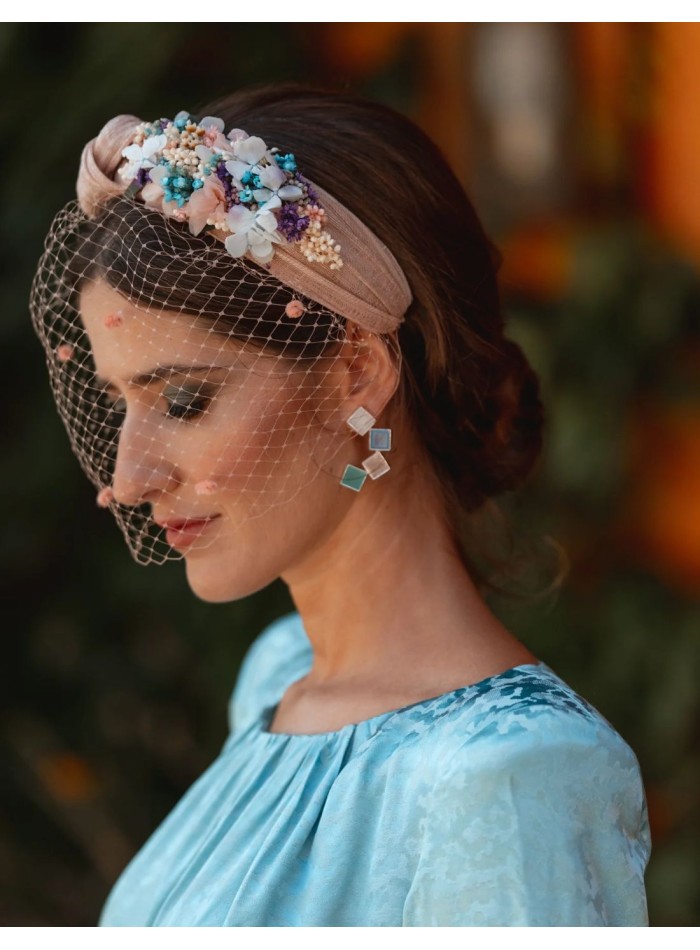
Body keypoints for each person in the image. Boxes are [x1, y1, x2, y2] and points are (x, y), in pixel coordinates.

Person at [30, 84, 650, 926]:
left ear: (357, 371)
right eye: (118, 405)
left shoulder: (506, 775)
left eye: (180, 401)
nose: (129, 480)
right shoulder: (279, 677)